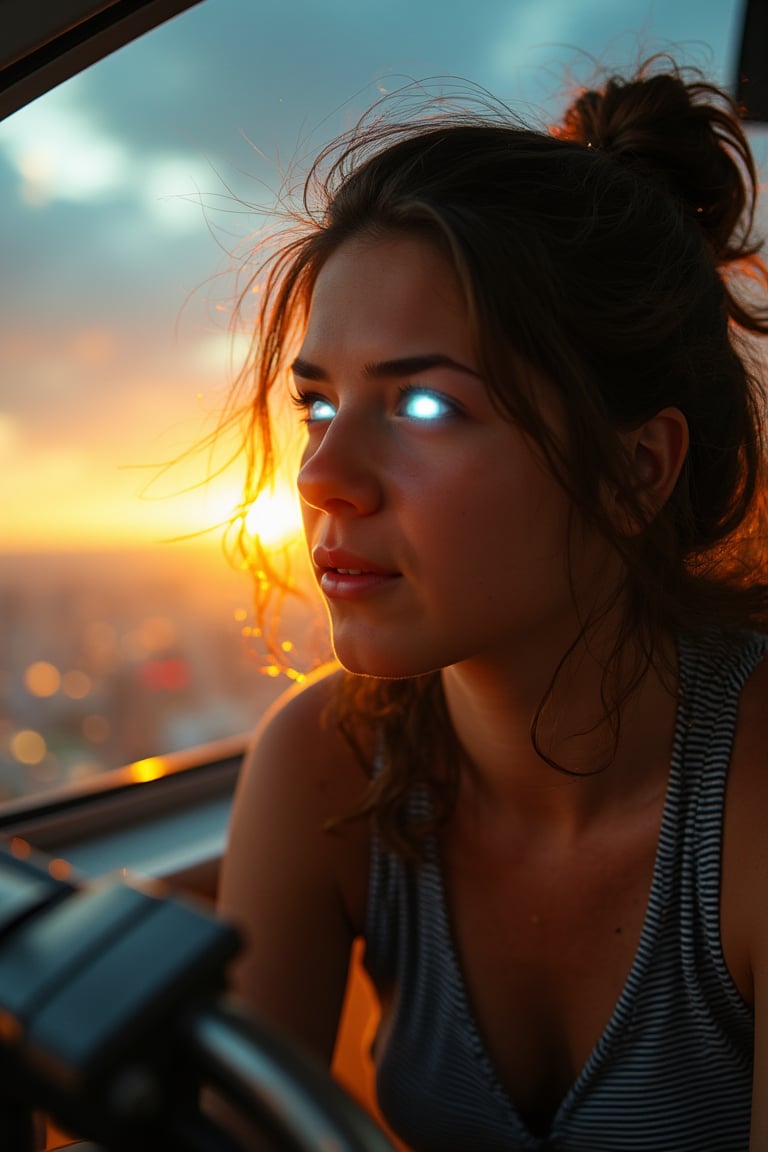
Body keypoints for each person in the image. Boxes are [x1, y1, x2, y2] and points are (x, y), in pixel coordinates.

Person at [216, 56, 768, 1151]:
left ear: (635, 470)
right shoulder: (325, 765)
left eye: (423, 402)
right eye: (319, 402)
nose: (323, 475)